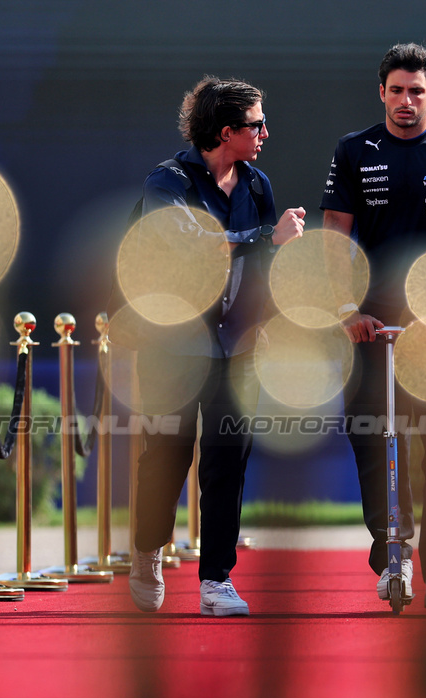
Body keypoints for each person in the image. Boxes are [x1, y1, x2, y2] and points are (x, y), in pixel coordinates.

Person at [127, 75, 306, 616]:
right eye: (256, 125)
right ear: (226, 131)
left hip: (238, 349)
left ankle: (216, 580)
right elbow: (189, 246)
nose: (265, 133)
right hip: (172, 347)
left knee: (229, 461)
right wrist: (264, 238)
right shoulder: (167, 181)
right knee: (167, 455)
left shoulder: (257, 186)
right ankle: (146, 551)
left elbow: (266, 266)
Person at [321, 43, 426, 610]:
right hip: (369, 326)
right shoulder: (353, 150)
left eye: (417, 91)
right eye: (397, 91)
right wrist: (347, 310)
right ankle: (392, 551)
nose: (406, 101)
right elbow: (336, 237)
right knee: (371, 435)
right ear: (383, 93)